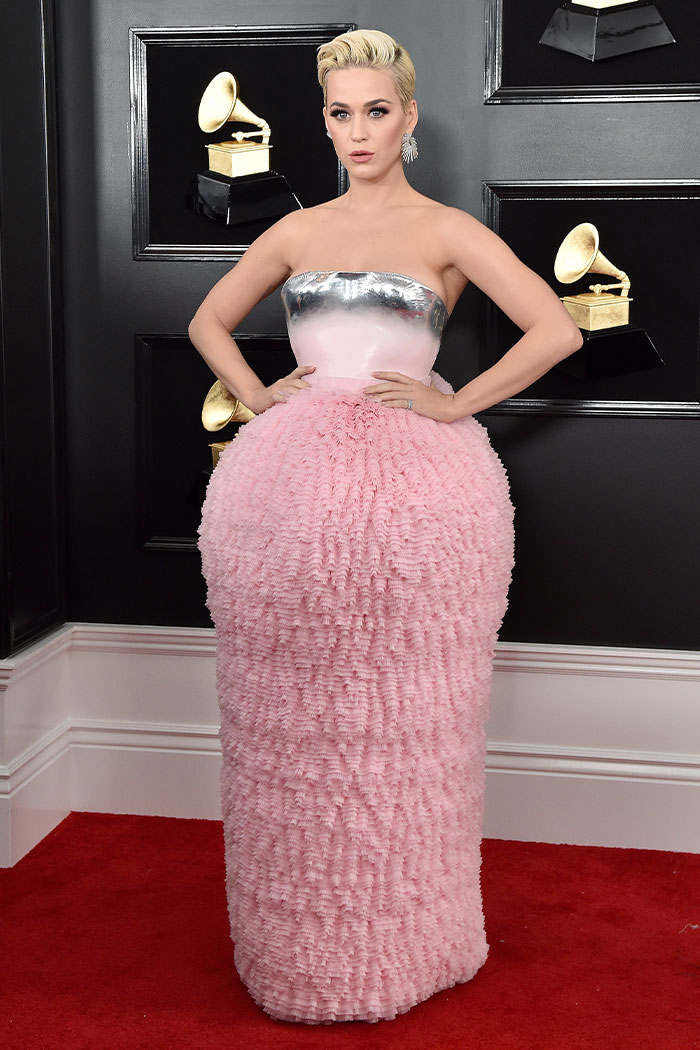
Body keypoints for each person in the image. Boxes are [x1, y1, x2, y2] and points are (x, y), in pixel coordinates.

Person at [190, 28, 582, 1025]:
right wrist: (256, 395)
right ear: (321, 122)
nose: (356, 129)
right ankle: (295, 948)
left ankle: (414, 939)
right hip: (284, 493)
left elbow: (557, 327)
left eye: (375, 109)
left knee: (412, 717)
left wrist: (456, 404)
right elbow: (207, 322)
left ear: (407, 117)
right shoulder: (295, 230)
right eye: (338, 112)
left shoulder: (447, 231)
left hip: (417, 498)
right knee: (285, 716)